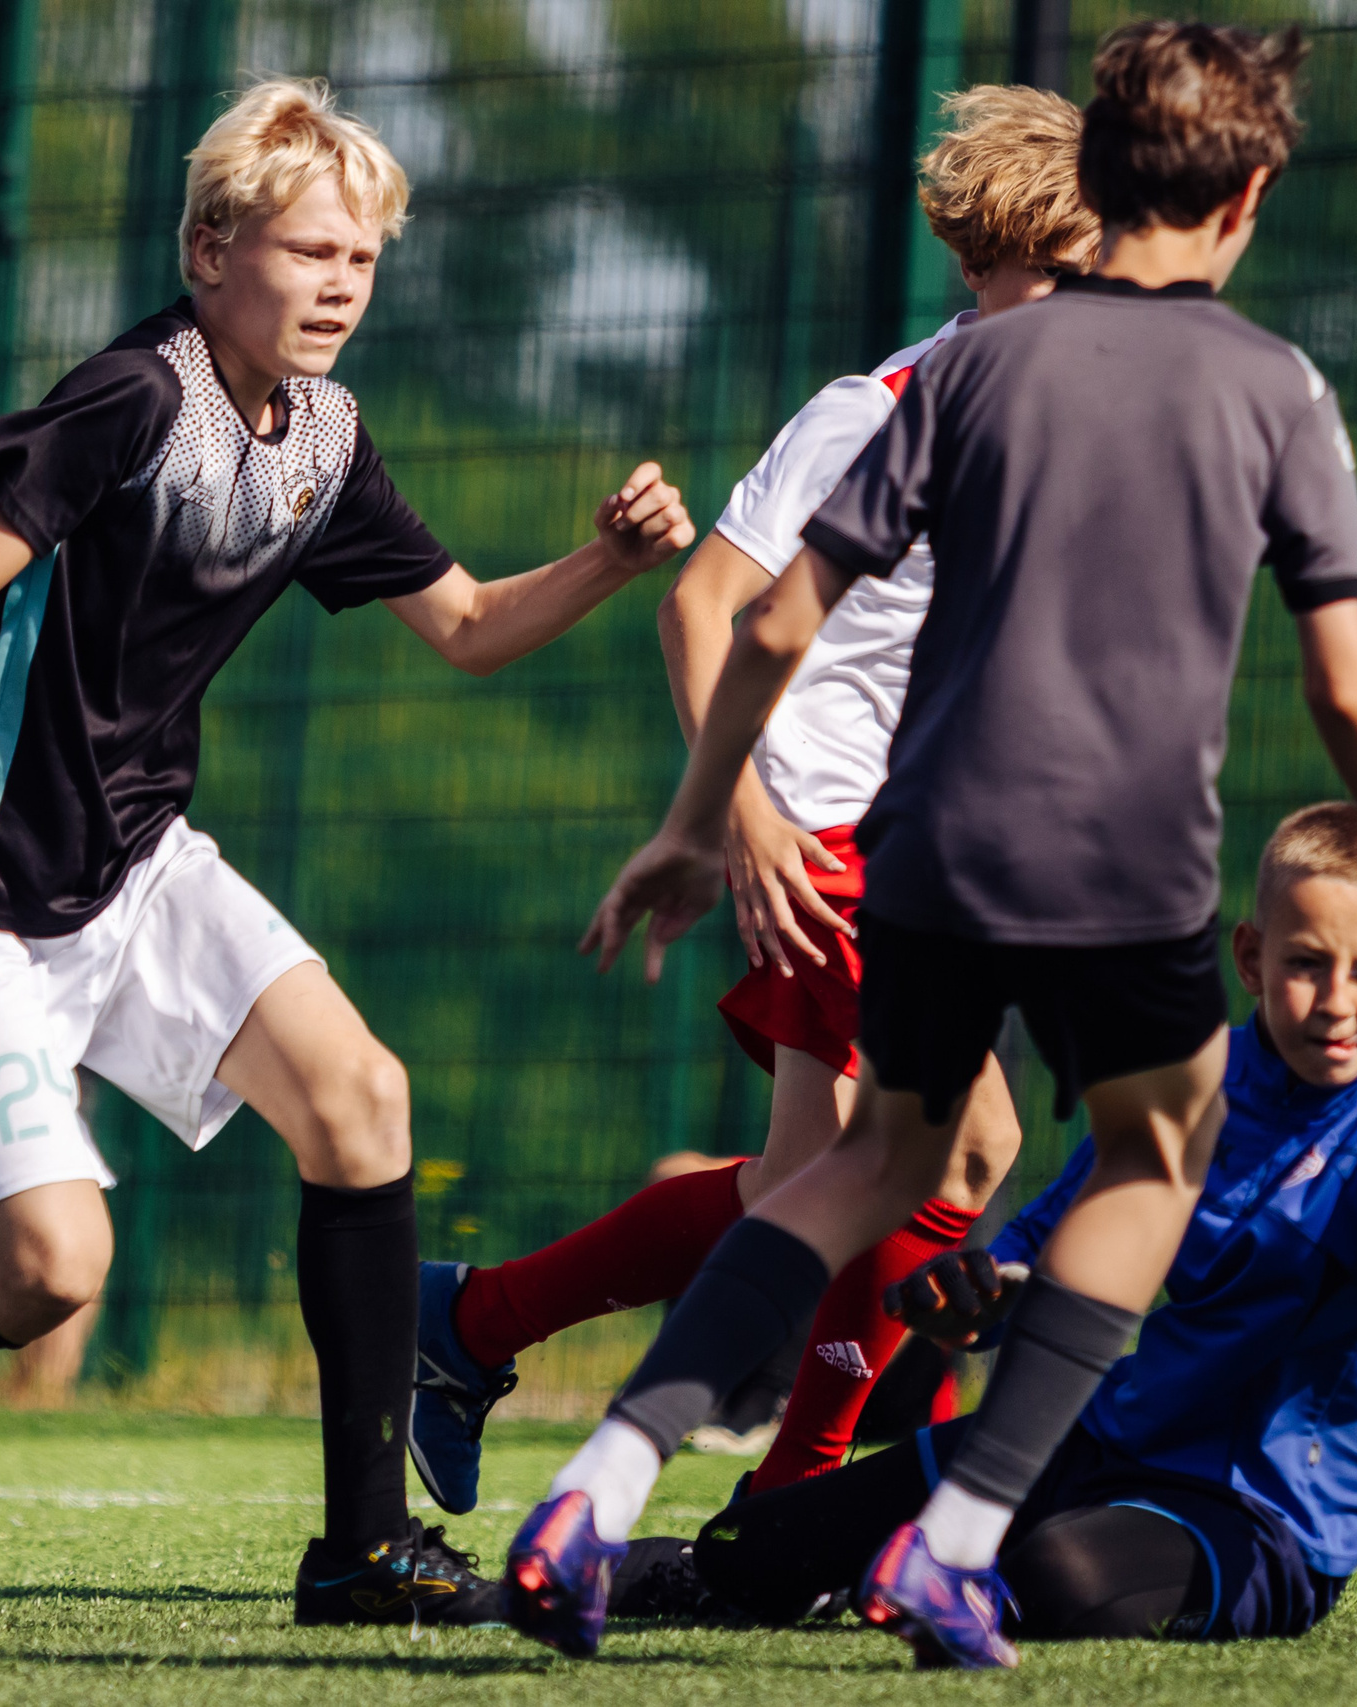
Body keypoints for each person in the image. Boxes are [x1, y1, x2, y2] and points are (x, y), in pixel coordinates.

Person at [522, 22, 1357, 1668]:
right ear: (1245, 198)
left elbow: (770, 621)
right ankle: (952, 1543)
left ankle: (599, 1481)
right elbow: (1343, 673)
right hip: (1128, 862)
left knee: (865, 1167)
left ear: (1094, 188)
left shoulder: (956, 370)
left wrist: (696, 819)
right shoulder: (1273, 384)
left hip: (929, 855)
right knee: (1153, 1158)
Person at [0, 79, 694, 1629]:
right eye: (310, 251)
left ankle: (361, 1548)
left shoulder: (327, 436)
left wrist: (612, 559)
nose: (341, 285)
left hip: (138, 862)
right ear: (212, 246)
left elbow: (474, 627)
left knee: (364, 1098)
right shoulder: (129, 399)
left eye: (362, 259)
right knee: (53, 1266)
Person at [409, 85, 1101, 1515]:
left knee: (813, 1171)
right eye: (1062, 271)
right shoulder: (882, 408)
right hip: (827, 831)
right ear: (985, 265)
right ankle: (794, 1488)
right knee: (957, 1145)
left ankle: (471, 1324)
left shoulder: (1052, 430)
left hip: (914, 844)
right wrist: (743, 816)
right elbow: (704, 605)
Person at [609, 803, 1357, 1643]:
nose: (1334, 1000)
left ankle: (918, 1579)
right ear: (1251, 959)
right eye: (1302, 965)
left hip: (1256, 1520)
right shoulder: (1200, 1078)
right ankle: (691, 1570)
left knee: (1061, 1581)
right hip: (1094, 1439)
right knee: (754, 1546)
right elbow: (1058, 1226)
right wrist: (980, 1286)